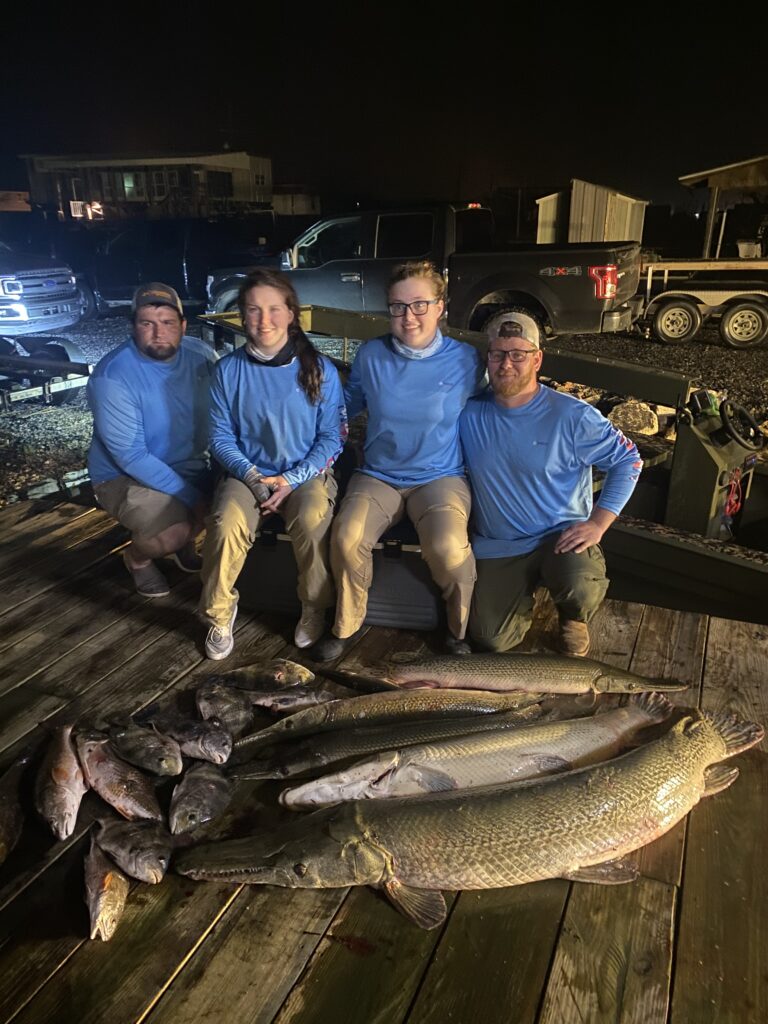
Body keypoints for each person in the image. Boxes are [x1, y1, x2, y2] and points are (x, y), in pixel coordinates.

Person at [311, 260, 486, 661]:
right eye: (398, 306)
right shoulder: (372, 354)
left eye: (420, 304)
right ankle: (347, 624)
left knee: (449, 548)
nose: (409, 316)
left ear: (441, 306)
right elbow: (345, 406)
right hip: (379, 475)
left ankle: (457, 632)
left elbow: (500, 404)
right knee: (346, 537)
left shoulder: (466, 361)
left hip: (440, 476)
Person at [459, 316, 642, 657]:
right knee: (489, 638)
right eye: (498, 354)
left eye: (518, 354)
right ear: (487, 358)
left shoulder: (573, 416)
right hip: (500, 544)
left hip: (560, 535)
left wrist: (598, 523)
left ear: (537, 359)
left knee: (578, 585)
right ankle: (520, 600)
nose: (506, 363)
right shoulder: (468, 413)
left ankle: (574, 616)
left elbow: (629, 460)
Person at [199, 268, 346, 660]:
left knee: (314, 518)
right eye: (253, 310)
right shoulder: (227, 372)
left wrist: (290, 480)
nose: (264, 320)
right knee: (226, 523)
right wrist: (254, 478)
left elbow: (333, 437)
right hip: (246, 471)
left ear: (291, 313)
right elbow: (219, 437)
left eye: (273, 309)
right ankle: (218, 612)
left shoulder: (320, 371)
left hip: (305, 473)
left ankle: (314, 605)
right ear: (242, 316)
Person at [87, 282, 216, 597]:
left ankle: (182, 538)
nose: (159, 333)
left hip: (188, 462)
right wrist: (194, 499)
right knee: (176, 527)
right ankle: (139, 558)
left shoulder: (202, 356)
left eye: (168, 323)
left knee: (234, 504)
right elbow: (131, 456)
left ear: (184, 326)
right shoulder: (112, 376)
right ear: (133, 328)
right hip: (123, 474)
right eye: (147, 323)